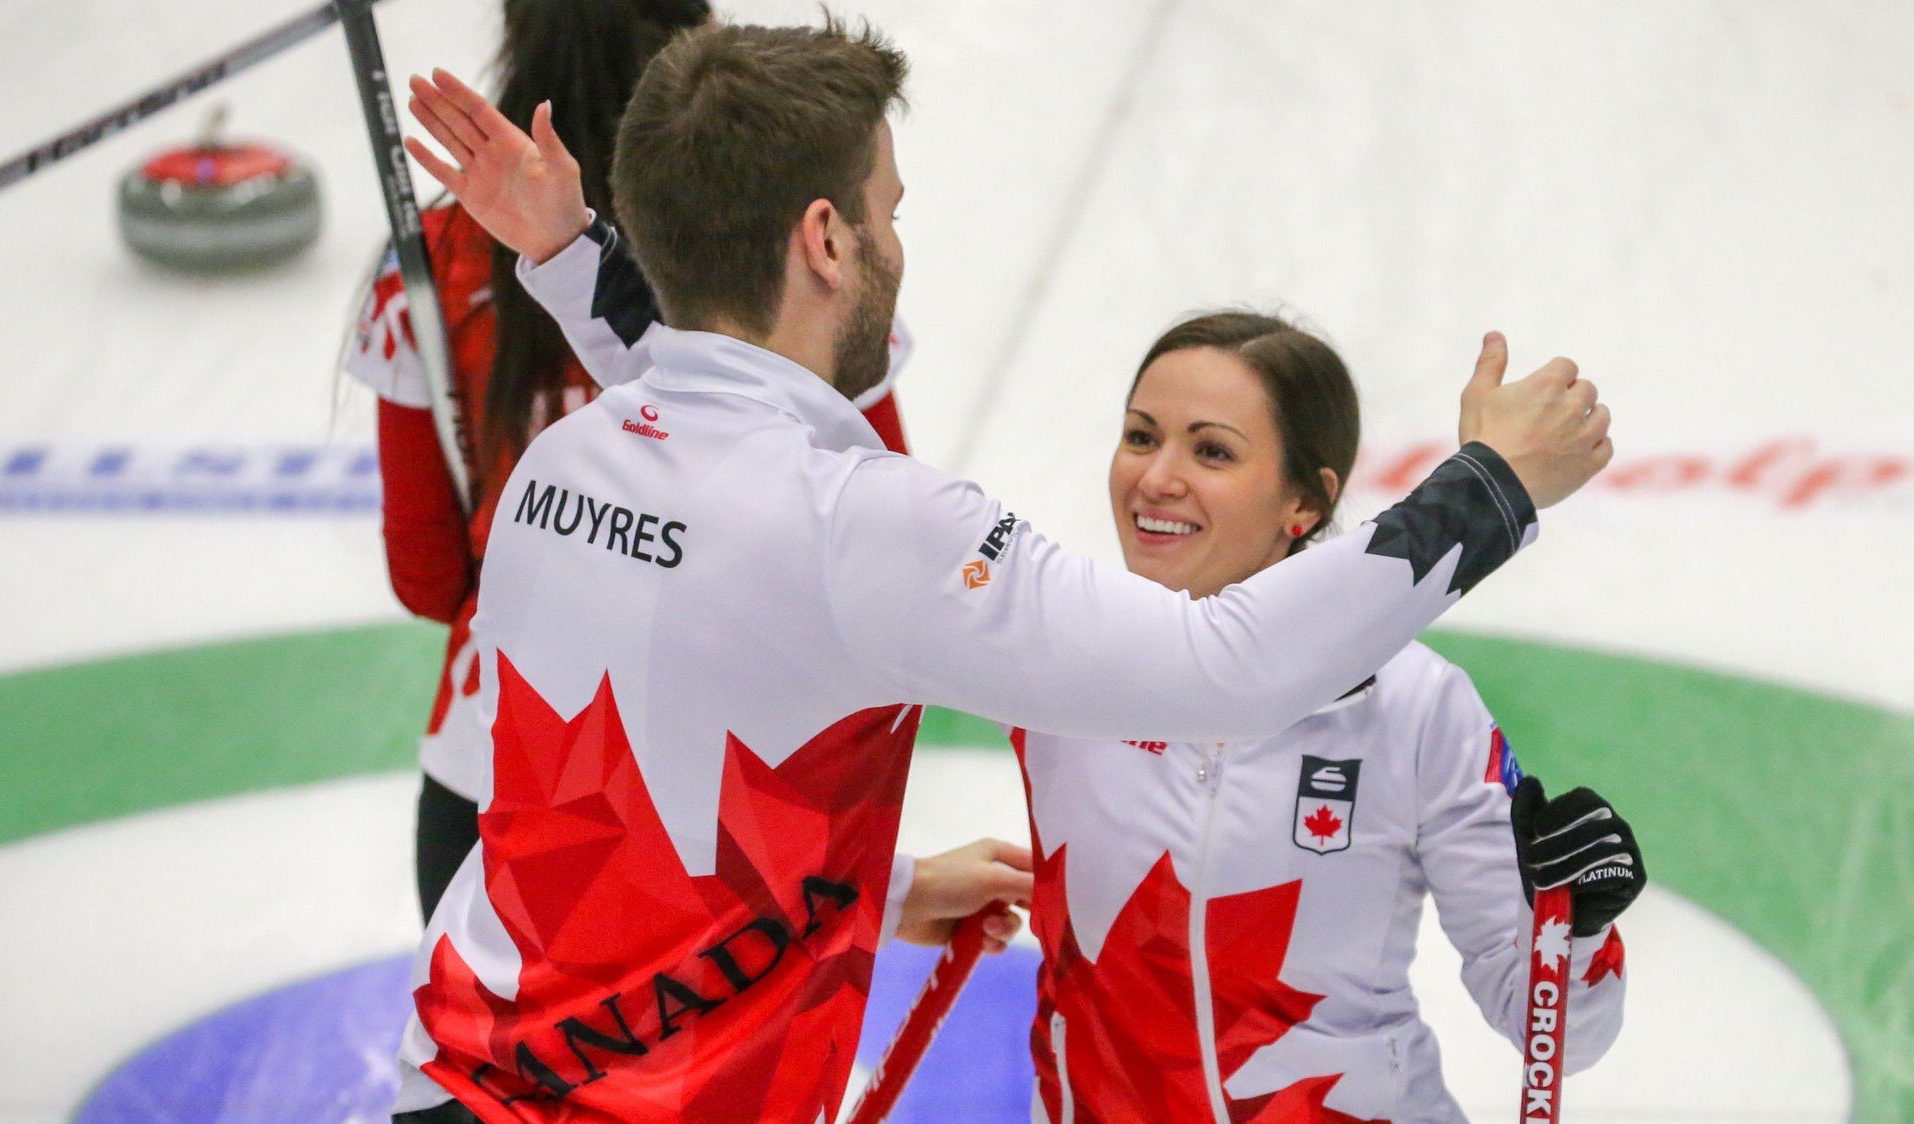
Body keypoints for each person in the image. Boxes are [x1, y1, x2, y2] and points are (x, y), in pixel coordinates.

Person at [389, 18, 1612, 1122]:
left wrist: (566, 254)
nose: (894, 244)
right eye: (887, 212)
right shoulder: (861, 526)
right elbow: (1224, 666)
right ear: (825, 239)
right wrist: (1492, 487)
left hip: (449, 1080)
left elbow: (703, 451)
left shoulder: (567, 465)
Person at [895, 312, 1643, 1122]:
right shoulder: (1058, 654)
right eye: (1141, 437)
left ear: (1303, 502)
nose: (1156, 478)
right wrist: (906, 885)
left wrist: (1572, 931)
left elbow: (1561, 1037)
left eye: (1210, 450)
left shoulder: (1414, 703)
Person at [345, 0, 910, 919]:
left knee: (471, 1064)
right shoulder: (797, 258)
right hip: (731, 777)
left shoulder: (439, 257)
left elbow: (424, 572)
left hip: (492, 766)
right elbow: (872, 525)